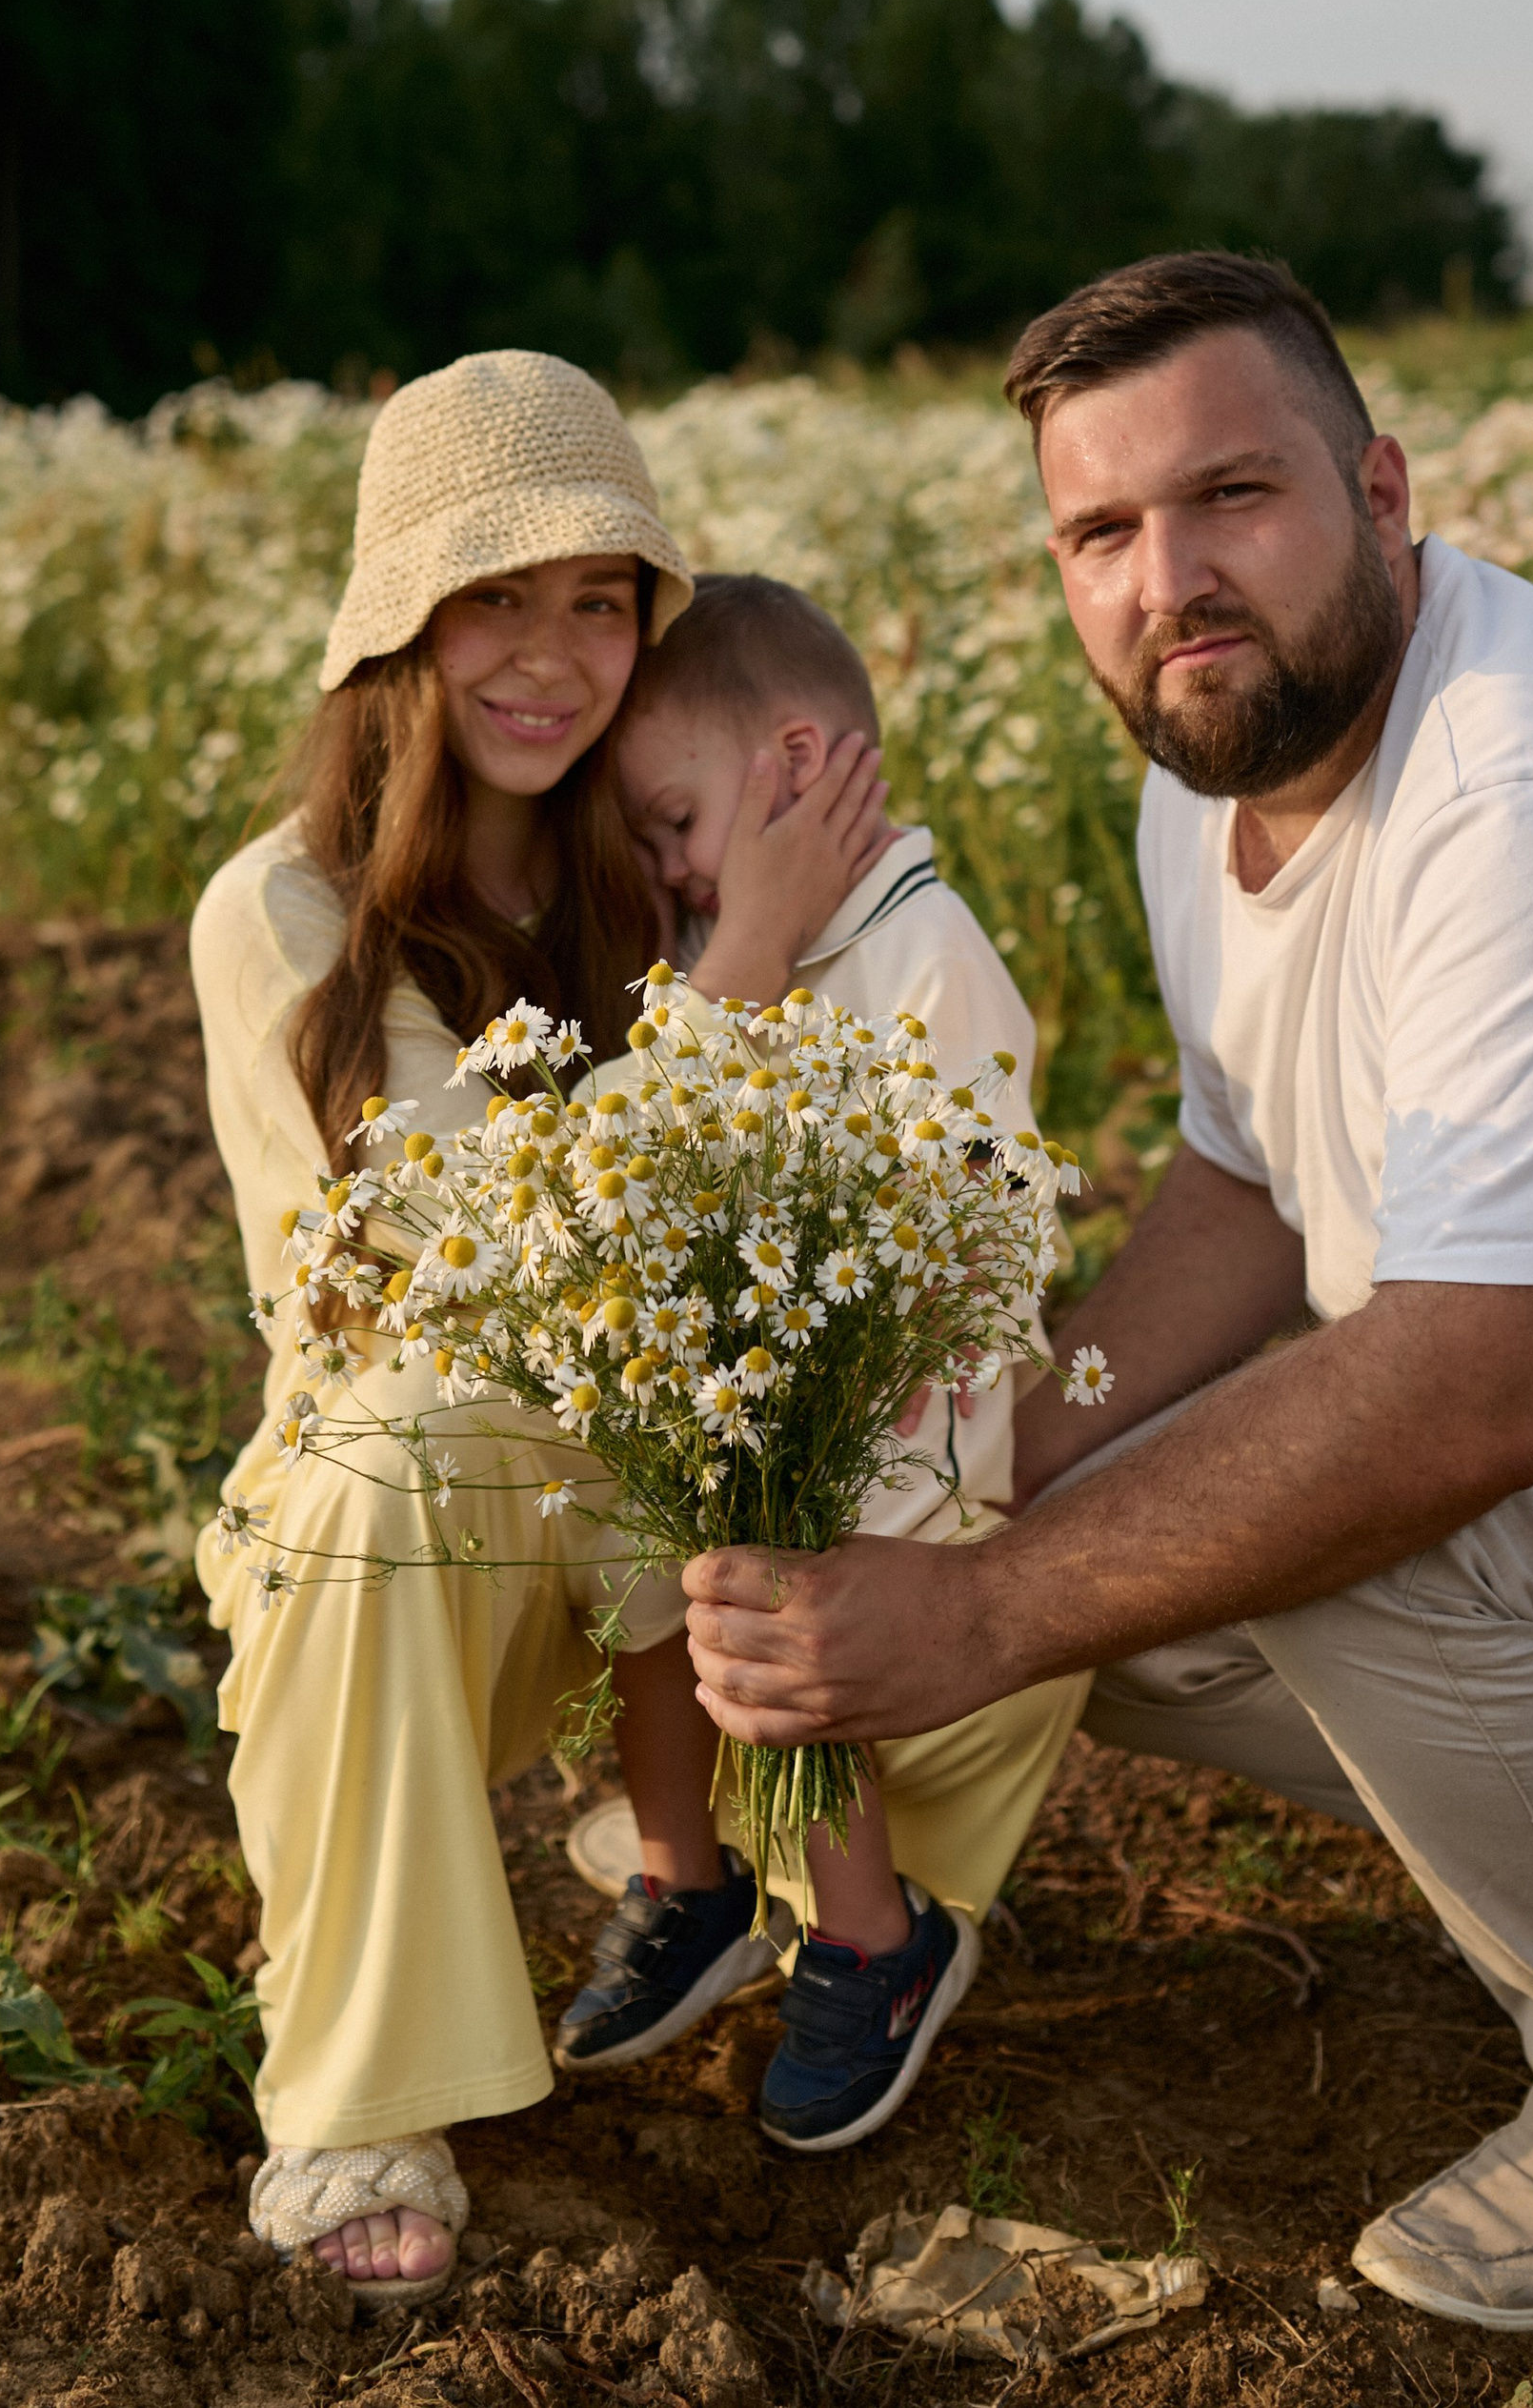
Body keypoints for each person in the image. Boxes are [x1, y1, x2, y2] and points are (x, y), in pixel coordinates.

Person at [678, 252, 1533, 2334]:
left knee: (1338, 1520)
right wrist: (995, 1454)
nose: (1166, 577)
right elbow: (1242, 1186)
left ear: (1379, 491)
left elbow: (1469, 1400)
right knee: (1089, 1540)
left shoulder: (1532, 792)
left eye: (1228, 497)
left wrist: (976, 1608)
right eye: (1099, 530)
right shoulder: (1221, 759)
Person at [188, 354, 1078, 2307]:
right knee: (403, 1448)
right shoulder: (284, 914)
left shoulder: (637, 861)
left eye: (599, 600)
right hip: (415, 1536)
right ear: (398, 624)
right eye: (495, 595)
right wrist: (747, 949)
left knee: (948, 1496)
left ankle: (773, 1885)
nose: (550, 653)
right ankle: (353, 2082)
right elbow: (494, 1268)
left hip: (636, 1506)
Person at [552, 575, 1061, 2155]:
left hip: (900, 1421)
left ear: (793, 766)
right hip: (781, 1388)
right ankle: (691, 1880)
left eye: (676, 820)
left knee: (779, 1584)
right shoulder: (773, 952)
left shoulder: (929, 958)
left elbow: (979, 1227)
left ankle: (870, 1940)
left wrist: (836, 1393)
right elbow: (660, 1162)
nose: (672, 870)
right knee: (637, 1537)